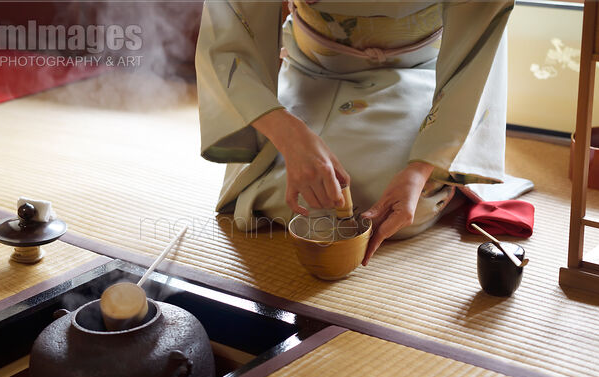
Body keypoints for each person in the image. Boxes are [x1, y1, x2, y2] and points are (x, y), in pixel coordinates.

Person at [196, 1, 522, 264]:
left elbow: (479, 44)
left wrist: (421, 168)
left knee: (387, 199)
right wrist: (288, 134)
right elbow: (227, 39)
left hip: (420, 72)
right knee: (299, 190)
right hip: (313, 70)